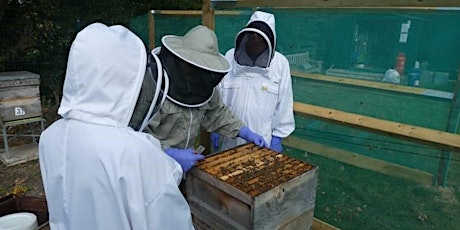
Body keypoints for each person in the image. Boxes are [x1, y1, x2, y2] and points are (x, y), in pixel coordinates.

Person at [39, 23, 194, 229]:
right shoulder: (136, 151)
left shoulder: (50, 136)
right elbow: (169, 222)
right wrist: (167, 166)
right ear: (123, 79)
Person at [146, 25, 268, 172]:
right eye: (195, 64)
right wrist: (167, 154)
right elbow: (136, 137)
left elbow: (218, 113)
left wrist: (243, 130)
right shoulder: (153, 86)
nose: (198, 70)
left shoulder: (203, 83)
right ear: (180, 58)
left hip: (184, 167)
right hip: (151, 168)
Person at [212, 11, 295, 153]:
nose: (256, 39)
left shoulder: (280, 64)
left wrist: (277, 138)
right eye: (253, 35)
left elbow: (284, 104)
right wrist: (215, 126)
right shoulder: (230, 57)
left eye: (262, 36)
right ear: (245, 36)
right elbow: (219, 94)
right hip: (228, 137)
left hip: (262, 141)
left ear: (270, 39)